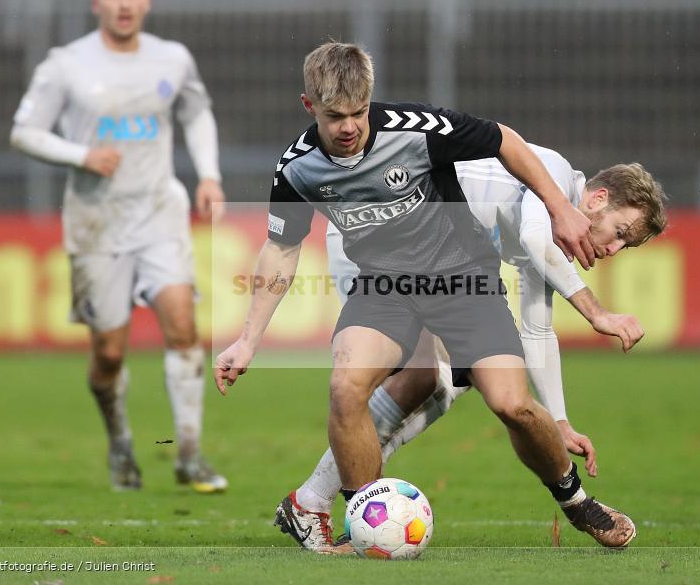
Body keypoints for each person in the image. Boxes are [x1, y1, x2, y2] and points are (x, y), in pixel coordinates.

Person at [215, 41, 635, 547]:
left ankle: (577, 502)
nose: (348, 127)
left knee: (511, 404)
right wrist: (248, 340)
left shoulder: (416, 129)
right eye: (334, 116)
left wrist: (561, 209)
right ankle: (366, 525)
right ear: (309, 106)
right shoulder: (297, 168)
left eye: (358, 112)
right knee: (346, 386)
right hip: (384, 286)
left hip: (464, 279)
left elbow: (505, 140)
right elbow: (282, 249)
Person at [274, 153, 667, 553]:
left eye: (625, 245)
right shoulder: (553, 171)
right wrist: (596, 312)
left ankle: (318, 503)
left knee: (436, 383)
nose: (614, 248)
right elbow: (533, 239)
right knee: (406, 379)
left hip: (439, 263)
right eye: (620, 232)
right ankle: (330, 506)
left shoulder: (553, 241)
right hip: (372, 238)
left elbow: (537, 329)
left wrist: (560, 421)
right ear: (598, 199)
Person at [10, 0, 227, 493]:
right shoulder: (66, 64)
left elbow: (196, 113)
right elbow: (24, 132)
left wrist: (209, 175)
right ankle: (121, 442)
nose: (124, 3)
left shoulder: (173, 58)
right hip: (96, 221)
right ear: (96, 3)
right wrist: (80, 155)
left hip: (158, 212)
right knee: (108, 353)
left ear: (147, 0)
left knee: (182, 324)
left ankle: (189, 454)